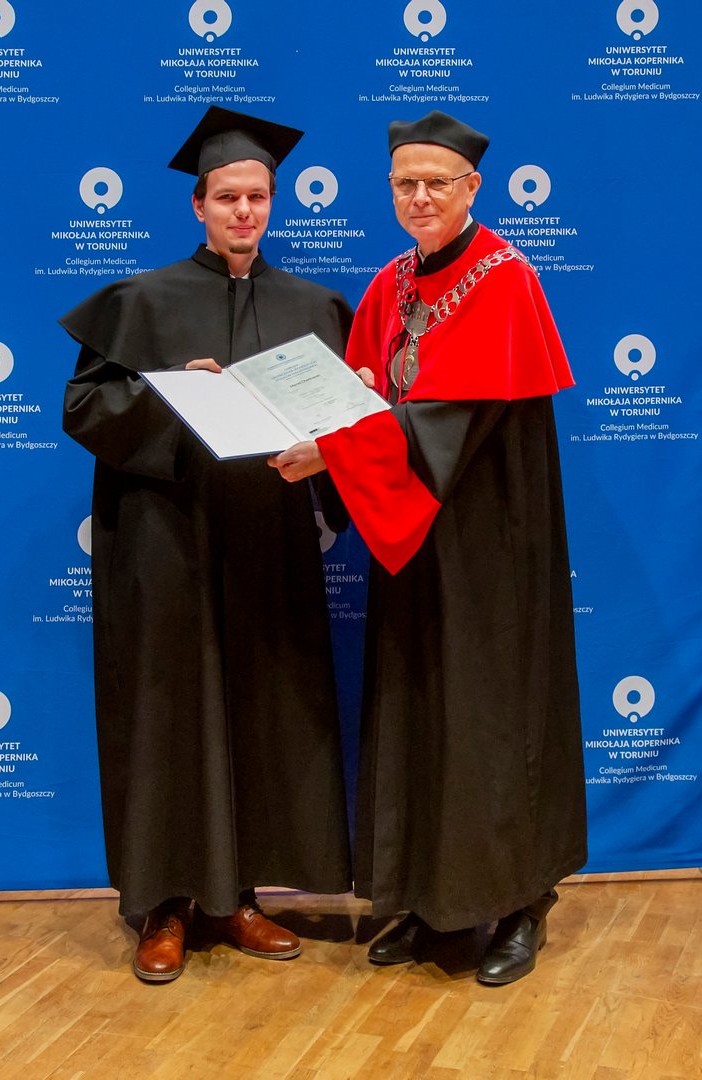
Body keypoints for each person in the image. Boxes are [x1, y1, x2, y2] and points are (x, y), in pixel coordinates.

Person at [269, 110, 588, 985]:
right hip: (410, 539)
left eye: (436, 183)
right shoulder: (391, 283)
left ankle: (520, 903)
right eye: (404, 183)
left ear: (471, 187)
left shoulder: (506, 279)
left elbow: (452, 421)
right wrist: (310, 420)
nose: (419, 197)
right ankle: (427, 901)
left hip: (489, 541)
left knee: (493, 713)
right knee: (416, 705)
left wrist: (338, 448)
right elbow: (359, 395)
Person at [61, 107, 353, 983]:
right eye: (227, 197)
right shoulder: (140, 301)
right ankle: (165, 906)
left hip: (267, 546)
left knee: (262, 710)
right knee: (168, 715)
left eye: (257, 196)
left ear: (273, 202)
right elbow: (84, 409)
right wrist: (168, 394)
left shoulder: (312, 307)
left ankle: (238, 900)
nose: (243, 211)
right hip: (166, 548)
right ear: (198, 205)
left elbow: (345, 427)